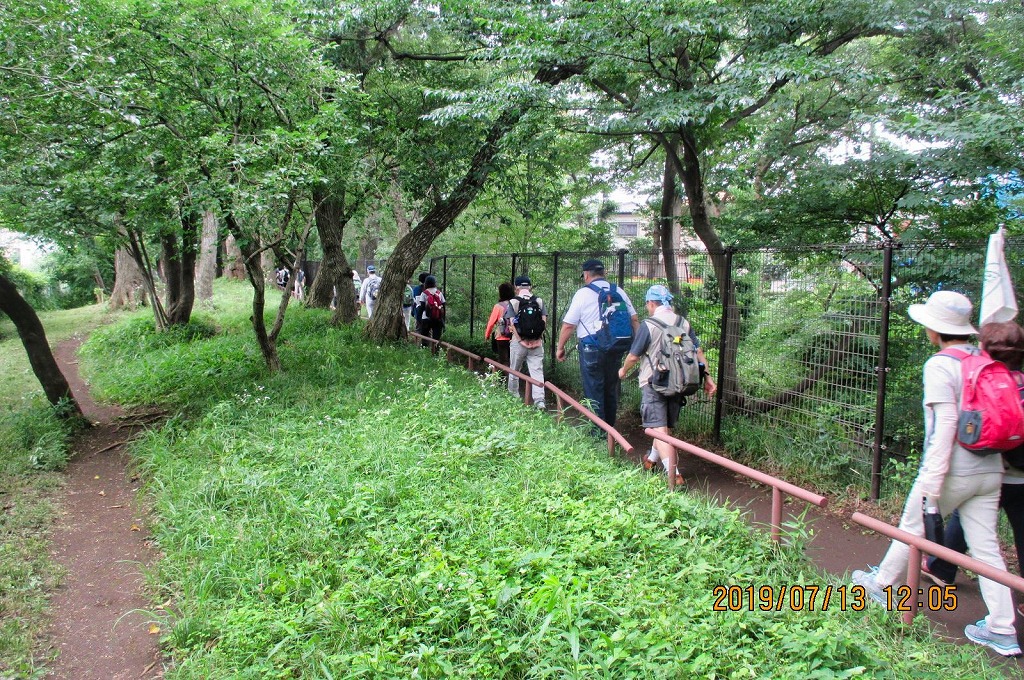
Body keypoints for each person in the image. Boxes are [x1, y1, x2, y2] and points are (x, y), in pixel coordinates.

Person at [851, 291, 1020, 657]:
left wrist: (931, 479)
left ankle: (879, 586)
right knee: (987, 548)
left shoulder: (941, 364)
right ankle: (1002, 628)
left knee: (911, 529)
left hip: (952, 471)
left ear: (934, 328)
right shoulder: (983, 357)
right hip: (991, 467)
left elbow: (944, 425)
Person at [922, 321, 1024, 599]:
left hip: (991, 469)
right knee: (995, 541)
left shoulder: (984, 377)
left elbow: (958, 424)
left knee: (946, 519)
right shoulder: (1017, 381)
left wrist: (934, 473)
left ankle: (927, 572)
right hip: (1012, 476)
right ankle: (1005, 619)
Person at [617, 284, 716, 490]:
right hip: (680, 382)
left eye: (647, 304)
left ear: (652, 303)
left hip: (654, 383)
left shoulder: (649, 324)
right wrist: (707, 378)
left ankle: (675, 477)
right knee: (663, 427)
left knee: (658, 431)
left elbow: (634, 356)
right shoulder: (683, 323)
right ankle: (651, 460)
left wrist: (623, 371)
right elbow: (698, 352)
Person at [556, 259, 639, 428]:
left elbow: (569, 325)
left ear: (586, 275)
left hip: (591, 347)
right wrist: (638, 346)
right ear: (604, 274)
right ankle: (610, 430)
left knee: (594, 390)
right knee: (610, 389)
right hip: (615, 347)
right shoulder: (619, 292)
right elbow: (634, 319)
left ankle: (597, 434)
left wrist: (560, 348)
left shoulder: (583, 293)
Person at [505, 276, 547, 409]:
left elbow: (512, 323)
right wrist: (538, 339)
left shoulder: (513, 302)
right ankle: (539, 401)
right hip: (537, 343)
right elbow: (543, 322)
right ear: (530, 287)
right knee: (537, 371)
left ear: (516, 287)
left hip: (519, 344)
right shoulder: (539, 301)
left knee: (514, 370)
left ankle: (513, 397)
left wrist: (521, 340)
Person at [485, 282, 515, 368]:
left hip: (501, 336)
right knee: (513, 361)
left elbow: (491, 323)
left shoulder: (498, 306)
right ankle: (513, 378)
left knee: (503, 361)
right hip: (514, 336)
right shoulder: (516, 305)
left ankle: (507, 379)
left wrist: (487, 335)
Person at [415, 275, 445, 352]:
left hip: (426, 319)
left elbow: (421, 308)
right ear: (435, 283)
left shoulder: (424, 293)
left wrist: (418, 319)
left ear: (426, 283)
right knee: (436, 339)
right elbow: (443, 307)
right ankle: (436, 354)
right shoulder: (439, 293)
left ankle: (424, 353)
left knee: (425, 338)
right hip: (438, 319)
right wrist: (443, 321)